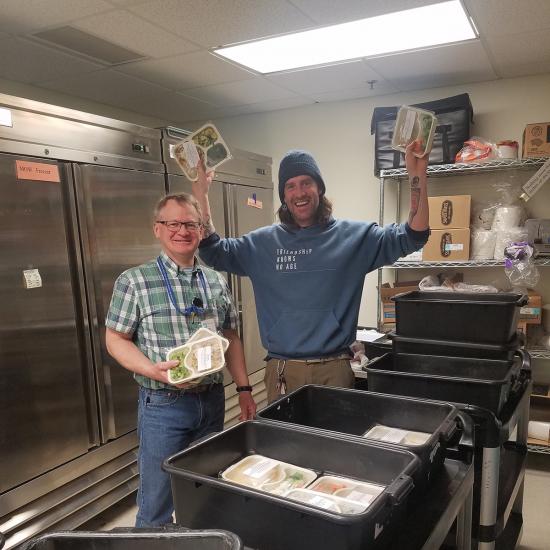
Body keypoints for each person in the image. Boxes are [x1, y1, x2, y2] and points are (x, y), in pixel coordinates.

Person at [192, 141, 429, 403]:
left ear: (319, 188)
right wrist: (201, 192)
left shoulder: (355, 238)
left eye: (306, 182)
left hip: (334, 369)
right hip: (282, 371)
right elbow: (212, 250)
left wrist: (417, 177)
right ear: (283, 195)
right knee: (283, 444)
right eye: (290, 185)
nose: (299, 192)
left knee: (334, 443)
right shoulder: (262, 244)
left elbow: (413, 236)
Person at [105, 192, 256, 527]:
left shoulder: (216, 281)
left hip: (212, 401)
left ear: (202, 231)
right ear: (157, 229)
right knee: (157, 502)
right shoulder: (134, 281)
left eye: (191, 224)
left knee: (203, 492)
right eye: (173, 223)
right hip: (163, 404)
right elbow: (115, 339)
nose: (183, 231)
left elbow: (230, 337)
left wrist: (244, 388)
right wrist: (152, 371)